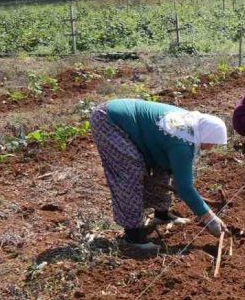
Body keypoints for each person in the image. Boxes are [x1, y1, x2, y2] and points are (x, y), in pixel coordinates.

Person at [90, 98, 229, 254]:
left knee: (162, 168)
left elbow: (175, 171)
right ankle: (132, 237)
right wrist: (209, 218)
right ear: (205, 134)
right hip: (109, 120)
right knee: (130, 173)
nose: (212, 148)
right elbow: (184, 188)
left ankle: (161, 215)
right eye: (212, 143)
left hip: (130, 122)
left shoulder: (192, 128)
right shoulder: (182, 143)